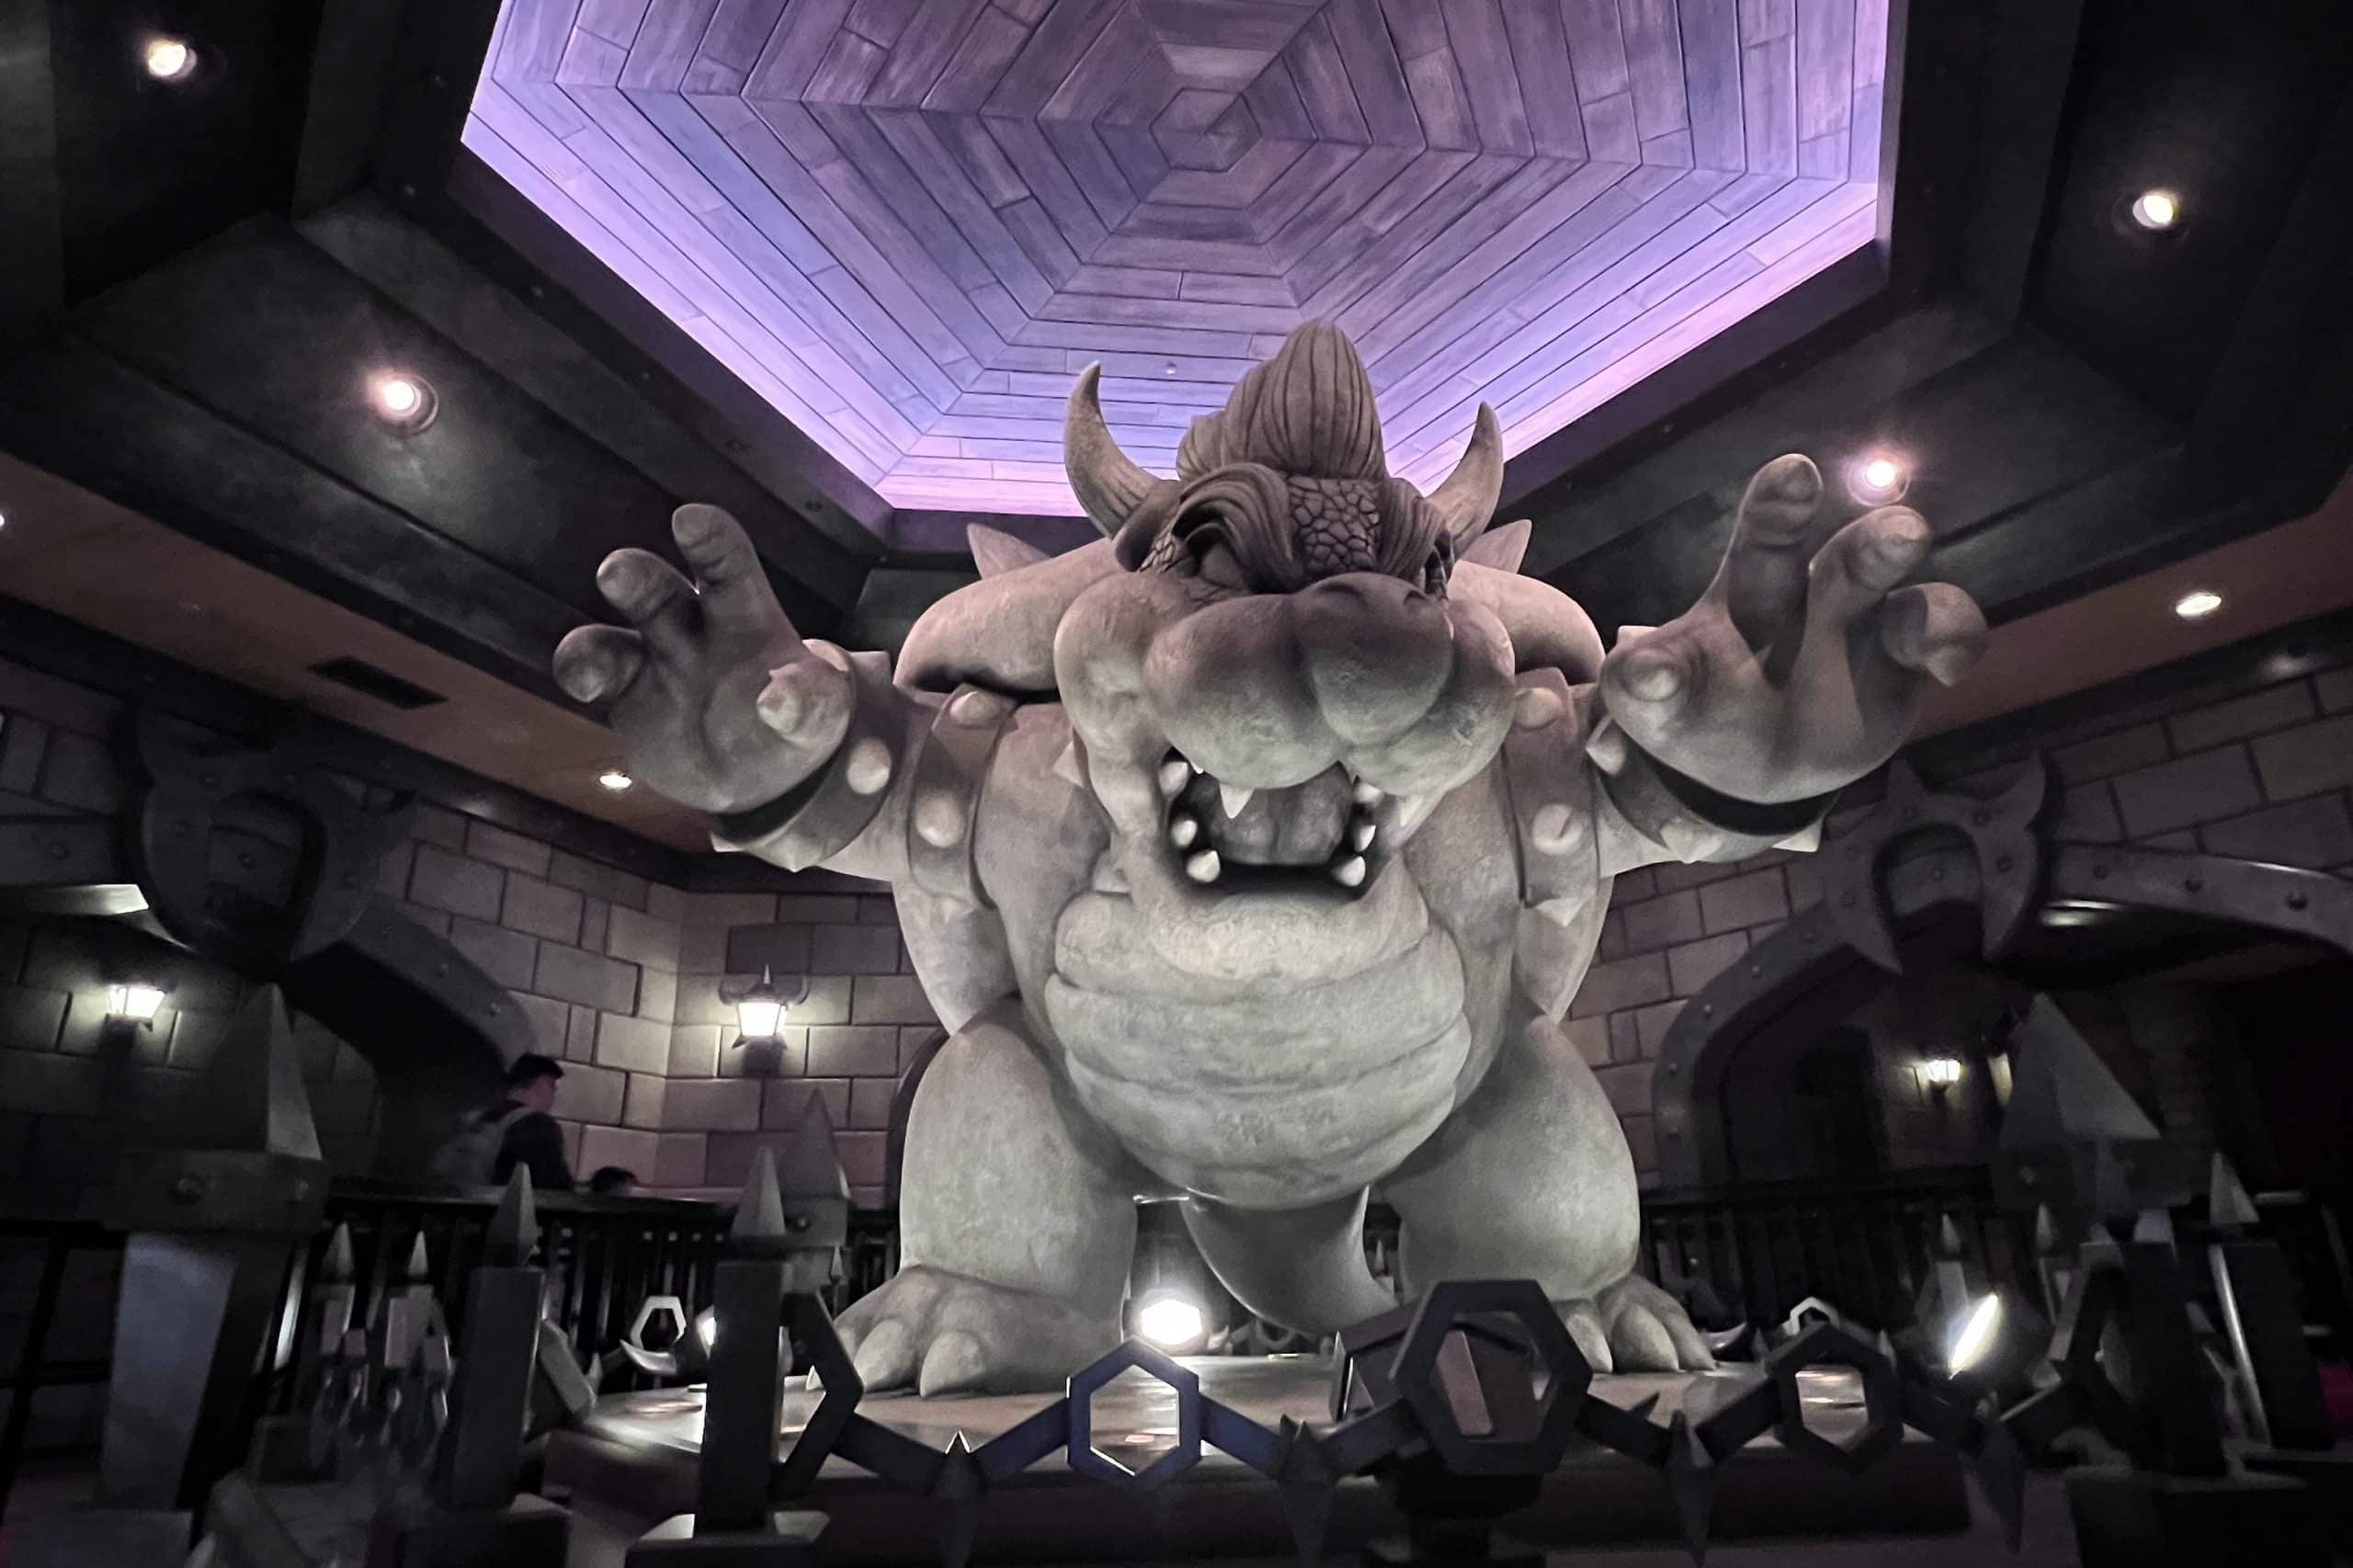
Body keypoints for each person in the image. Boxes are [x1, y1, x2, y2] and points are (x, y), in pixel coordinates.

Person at [431, 1053, 575, 1190]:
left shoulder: (472, 1120)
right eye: (551, 1087)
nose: (554, 1096)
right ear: (532, 1083)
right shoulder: (537, 1125)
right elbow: (553, 1188)